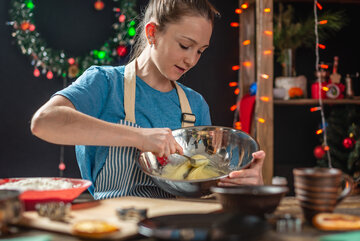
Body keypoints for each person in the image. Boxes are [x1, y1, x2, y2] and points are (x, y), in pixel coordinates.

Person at [31, 0, 265, 199]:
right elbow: (44, 122)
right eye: (185, 45)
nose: (192, 60)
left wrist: (245, 184)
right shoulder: (105, 83)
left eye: (200, 51)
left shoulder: (195, 105)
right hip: (115, 225)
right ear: (152, 32)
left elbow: (205, 192)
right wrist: (139, 137)